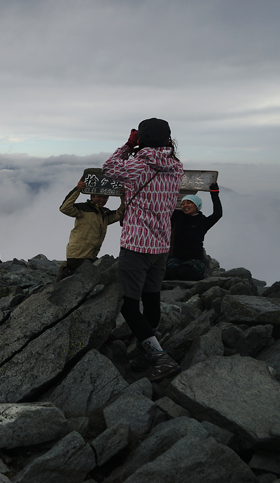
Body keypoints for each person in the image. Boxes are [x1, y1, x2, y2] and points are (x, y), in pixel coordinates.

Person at [102, 118, 184, 381]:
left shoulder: (137, 166)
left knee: (128, 306)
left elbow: (109, 169)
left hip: (136, 245)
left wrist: (128, 145)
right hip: (161, 245)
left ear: (142, 139)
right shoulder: (176, 166)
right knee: (151, 299)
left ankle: (160, 357)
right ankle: (146, 351)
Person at [57, 179, 124, 281]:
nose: (102, 199)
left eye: (105, 197)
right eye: (99, 196)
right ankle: (66, 275)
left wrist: (123, 195)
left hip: (90, 256)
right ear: (91, 196)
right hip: (77, 256)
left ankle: (66, 274)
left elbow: (120, 213)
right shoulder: (83, 208)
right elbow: (64, 208)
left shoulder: (105, 214)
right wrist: (78, 189)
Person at [165, 184, 222, 280]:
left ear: (197, 205)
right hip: (176, 258)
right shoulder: (178, 216)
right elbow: (164, 208)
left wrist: (214, 193)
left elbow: (218, 214)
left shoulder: (202, 221)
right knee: (169, 273)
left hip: (195, 259)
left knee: (183, 271)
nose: (185, 206)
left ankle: (203, 281)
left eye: (189, 203)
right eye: (183, 204)